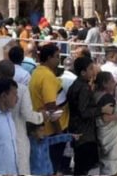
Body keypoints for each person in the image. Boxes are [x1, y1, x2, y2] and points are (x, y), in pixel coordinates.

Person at [0, 58, 44, 175]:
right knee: (21, 169)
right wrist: (42, 117)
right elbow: (27, 114)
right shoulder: (21, 89)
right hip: (18, 138)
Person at [67, 56, 115, 175]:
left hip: (77, 130)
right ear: (83, 72)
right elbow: (83, 112)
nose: (93, 72)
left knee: (81, 166)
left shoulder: (76, 84)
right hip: (84, 134)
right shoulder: (83, 87)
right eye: (90, 69)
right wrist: (102, 109)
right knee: (84, 167)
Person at [29, 43, 69, 175]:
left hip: (43, 128)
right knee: (51, 166)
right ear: (48, 58)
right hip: (52, 130)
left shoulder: (37, 72)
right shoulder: (47, 76)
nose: (59, 60)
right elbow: (51, 106)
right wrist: (59, 132)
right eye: (57, 56)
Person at [93, 71, 117, 175]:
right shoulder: (107, 98)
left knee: (106, 164)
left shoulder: (96, 95)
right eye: (112, 81)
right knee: (114, 165)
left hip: (103, 135)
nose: (114, 83)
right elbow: (105, 118)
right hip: (112, 138)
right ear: (105, 84)